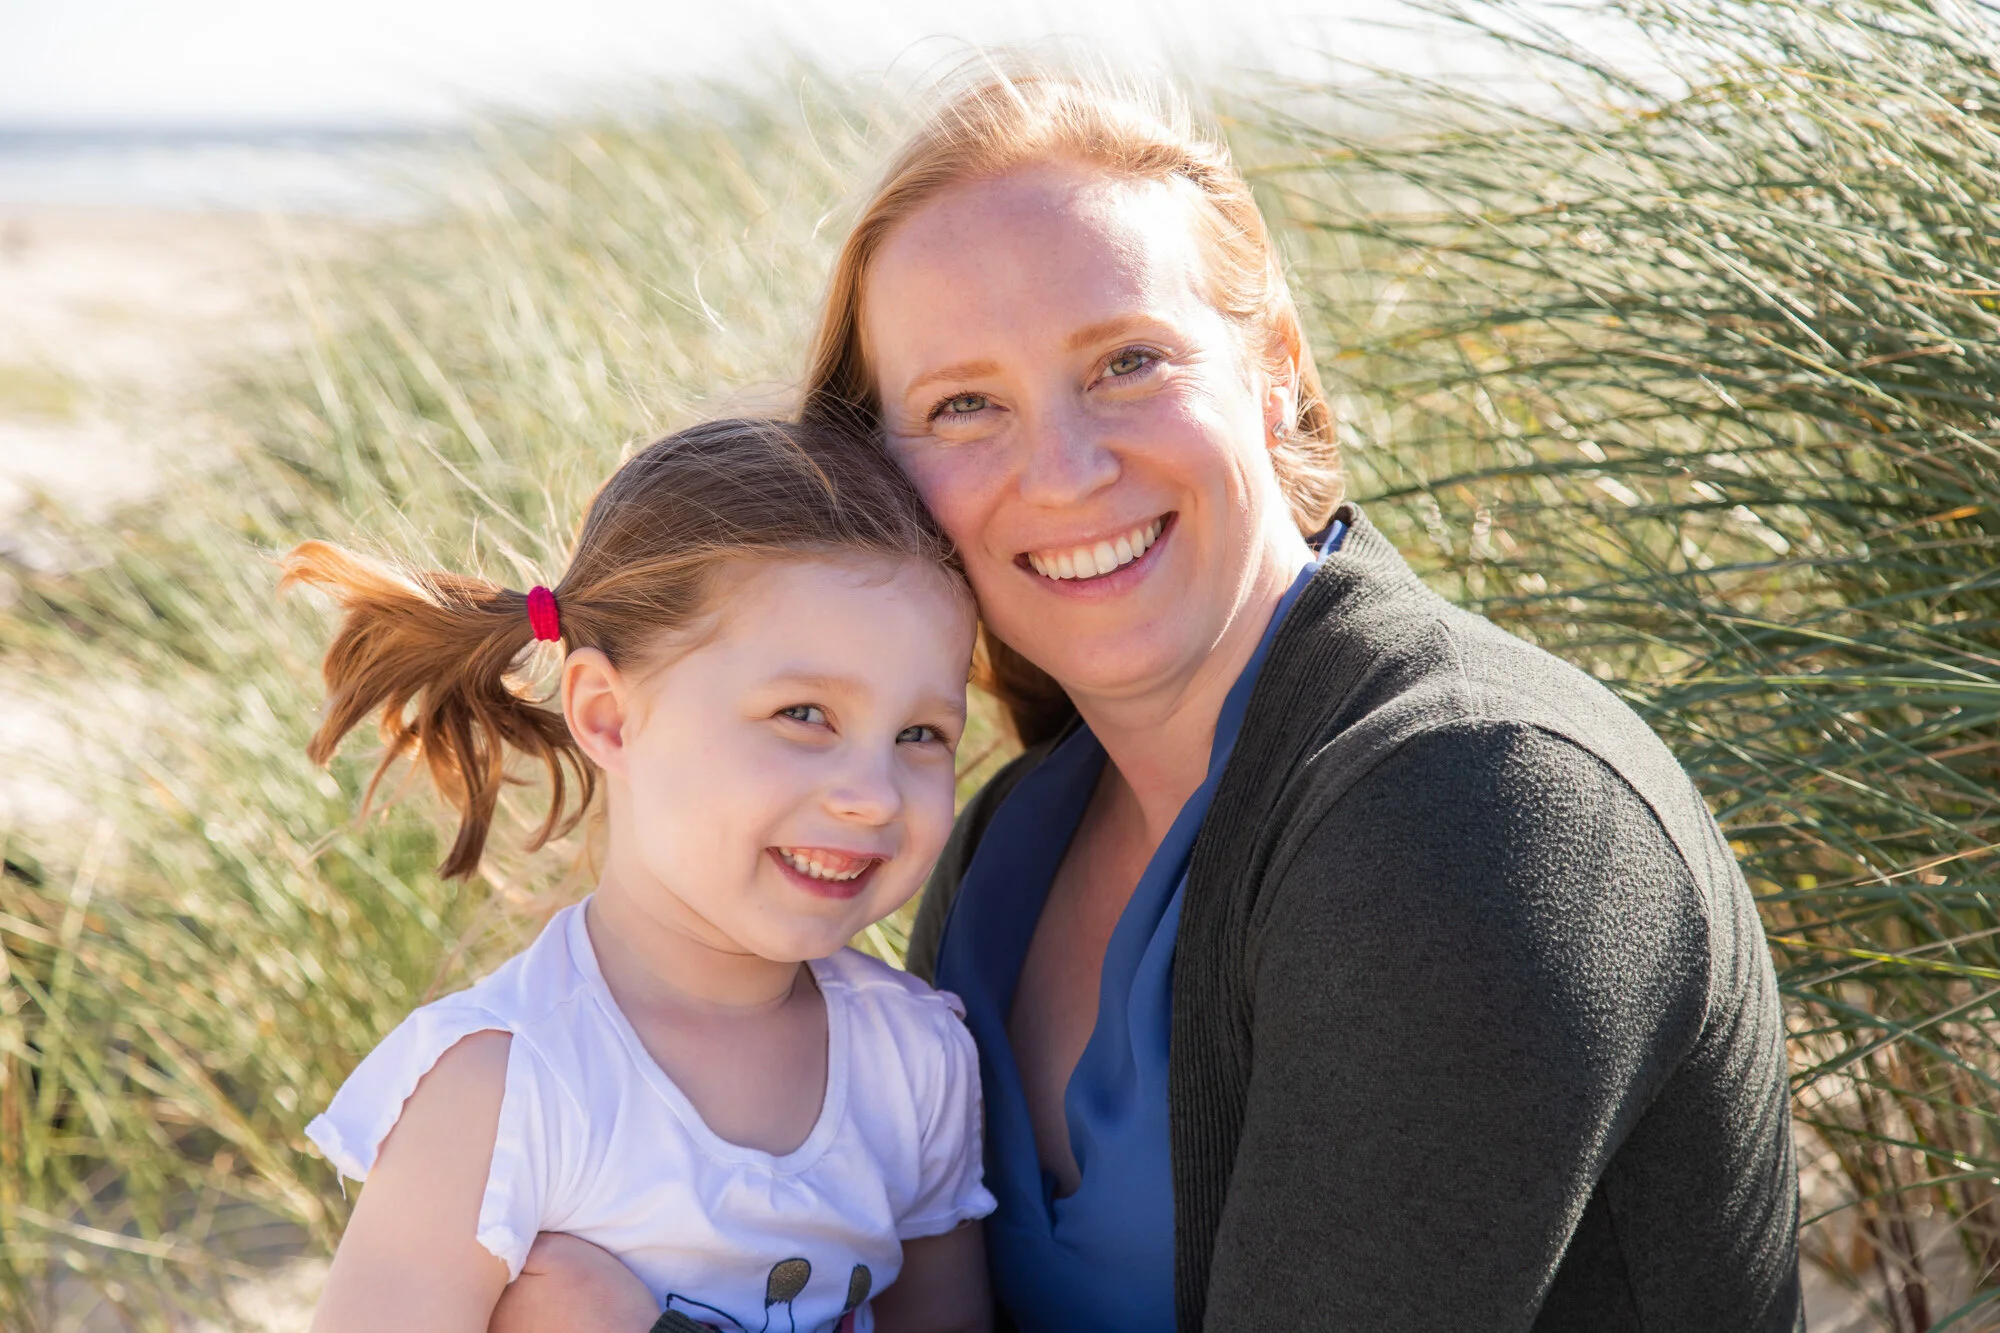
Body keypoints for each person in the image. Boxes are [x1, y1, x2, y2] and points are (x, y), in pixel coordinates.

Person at [503, 65, 1805, 1333]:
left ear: (1276, 369)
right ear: (886, 488)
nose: (1063, 470)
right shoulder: (1003, 850)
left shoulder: (1478, 812)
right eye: (964, 404)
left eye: (1127, 361)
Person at [291, 417, 996, 1333]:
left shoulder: (915, 1061)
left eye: (920, 735)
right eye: (804, 713)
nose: (872, 795)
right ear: (610, 715)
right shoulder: (506, 1089)